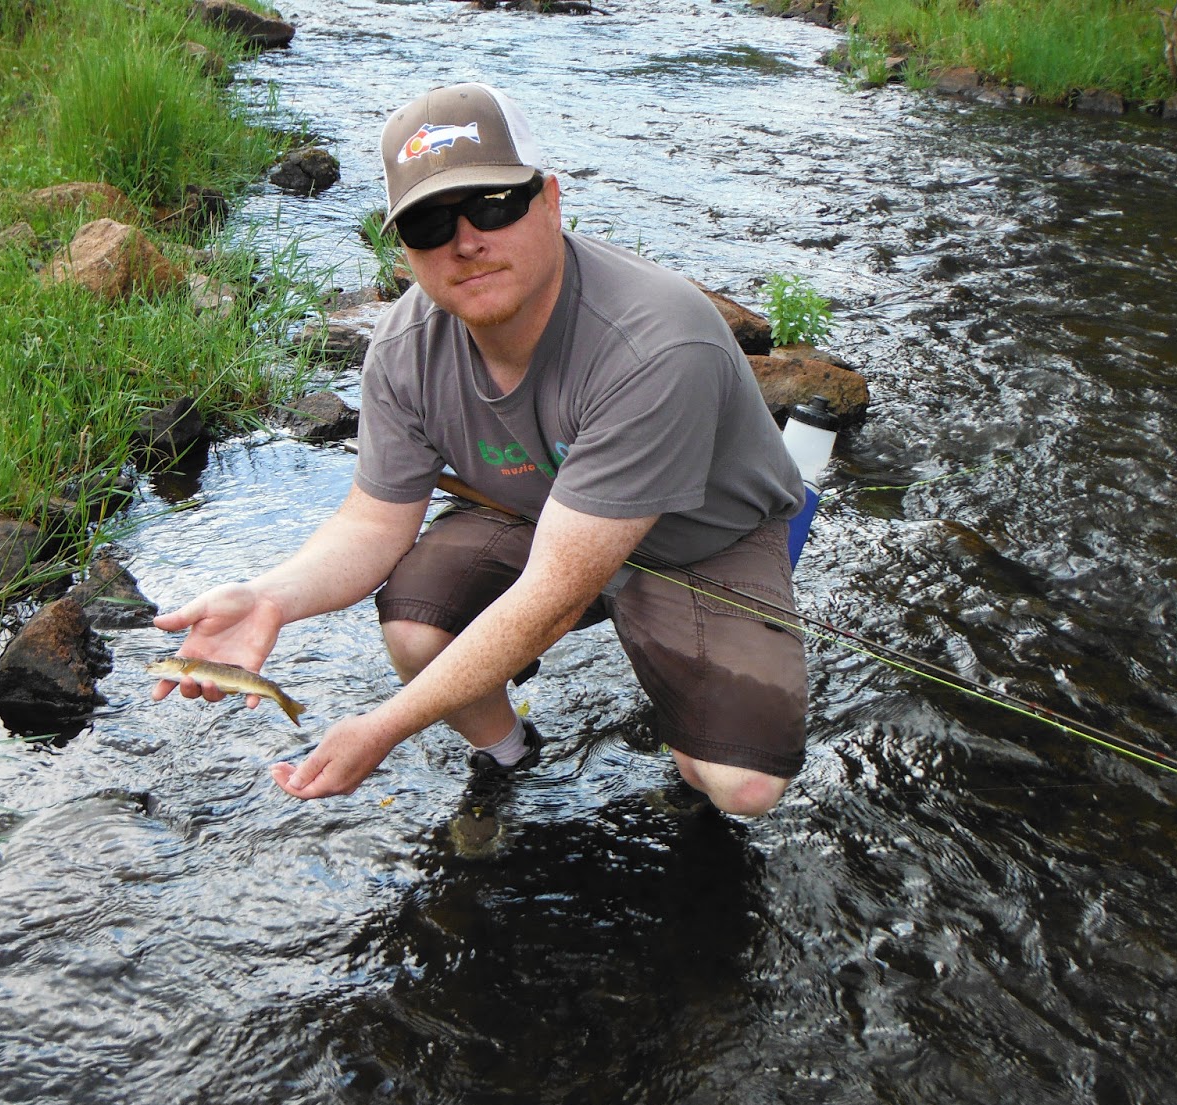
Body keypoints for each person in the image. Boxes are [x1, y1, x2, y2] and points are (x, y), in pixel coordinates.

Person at [152, 82, 809, 817]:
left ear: (551, 202)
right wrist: (273, 596)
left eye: (493, 205)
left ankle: (691, 730)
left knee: (739, 788)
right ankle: (511, 757)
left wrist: (385, 727)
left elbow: (551, 600)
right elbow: (372, 524)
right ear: (403, 248)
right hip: (541, 513)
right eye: (430, 222)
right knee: (414, 626)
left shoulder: (655, 343)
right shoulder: (404, 349)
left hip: (702, 540)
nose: (465, 241)